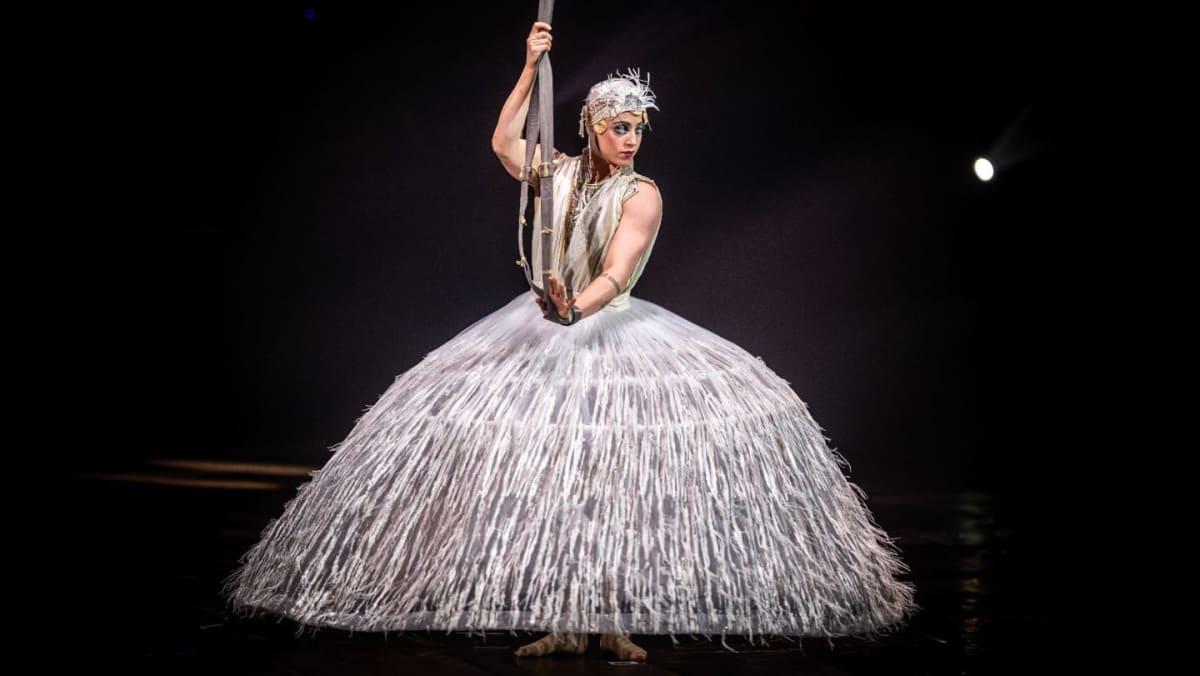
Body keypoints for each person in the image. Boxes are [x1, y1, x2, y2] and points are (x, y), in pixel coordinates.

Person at [223, 21, 915, 664]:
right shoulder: (557, 173)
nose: (631, 139)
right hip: (548, 326)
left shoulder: (642, 194)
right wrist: (530, 67)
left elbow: (617, 272)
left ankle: (609, 620)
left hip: (606, 329)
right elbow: (503, 144)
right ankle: (564, 617)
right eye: (619, 128)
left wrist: (573, 309)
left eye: (637, 128)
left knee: (611, 477)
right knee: (559, 478)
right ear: (592, 126)